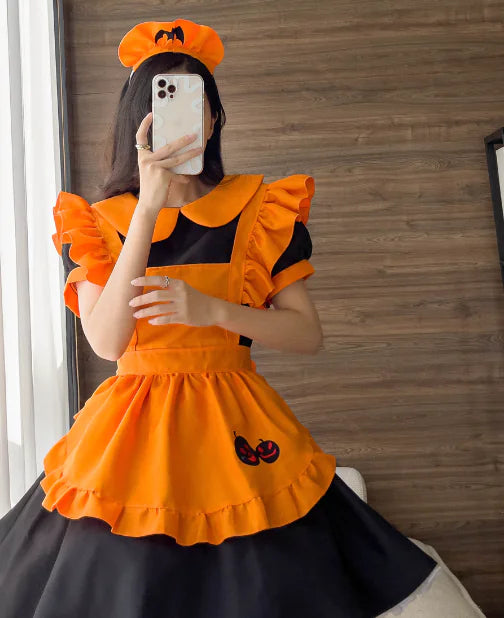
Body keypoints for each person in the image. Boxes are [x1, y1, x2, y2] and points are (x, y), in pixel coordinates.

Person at [1, 18, 468, 618]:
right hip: (130, 432)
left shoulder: (260, 210)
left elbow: (306, 334)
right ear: (137, 121)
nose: (179, 118)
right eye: (161, 103)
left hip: (236, 418)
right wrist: (147, 208)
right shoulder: (97, 222)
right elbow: (107, 342)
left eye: (193, 101)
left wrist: (214, 311)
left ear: (215, 117)